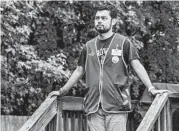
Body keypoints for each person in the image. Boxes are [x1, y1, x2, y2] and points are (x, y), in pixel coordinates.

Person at [49, 4, 171, 131]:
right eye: (97, 18)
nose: (99, 21)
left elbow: (137, 66)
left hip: (117, 105)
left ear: (113, 21)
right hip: (93, 106)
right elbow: (79, 70)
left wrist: (151, 88)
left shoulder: (124, 43)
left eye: (103, 18)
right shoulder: (88, 46)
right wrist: (62, 91)